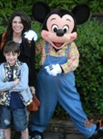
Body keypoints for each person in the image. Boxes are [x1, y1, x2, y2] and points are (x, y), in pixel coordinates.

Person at [29, 1, 103, 139]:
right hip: (46, 84)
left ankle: (90, 130)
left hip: (66, 82)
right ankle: (36, 130)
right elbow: (30, 53)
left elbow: (74, 61)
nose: (59, 33)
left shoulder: (71, 46)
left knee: (75, 107)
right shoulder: (43, 44)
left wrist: (60, 68)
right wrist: (29, 42)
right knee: (43, 107)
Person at [0, 11, 38, 139]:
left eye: (20, 22)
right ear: (11, 23)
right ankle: (3, 132)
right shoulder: (3, 37)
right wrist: (3, 84)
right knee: (5, 110)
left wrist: (31, 84)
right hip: (5, 77)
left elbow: (31, 62)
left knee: (22, 111)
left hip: (23, 79)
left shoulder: (28, 40)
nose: (17, 25)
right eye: (15, 22)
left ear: (24, 24)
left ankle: (20, 134)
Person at [0, 40, 33, 139]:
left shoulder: (23, 67)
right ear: (4, 54)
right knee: (6, 126)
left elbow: (23, 85)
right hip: (5, 102)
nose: (11, 57)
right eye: (8, 54)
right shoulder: (0, 68)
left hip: (19, 102)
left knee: (22, 126)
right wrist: (13, 83)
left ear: (18, 54)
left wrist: (7, 88)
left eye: (13, 54)